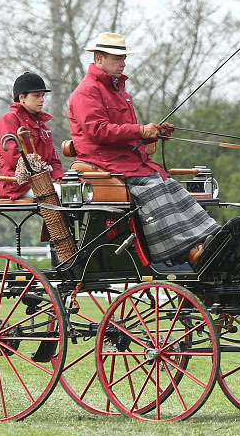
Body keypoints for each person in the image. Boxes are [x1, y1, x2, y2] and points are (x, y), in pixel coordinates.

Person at [67, 32, 220, 267]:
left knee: (170, 184)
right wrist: (140, 131)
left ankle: (209, 238)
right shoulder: (87, 91)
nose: (123, 63)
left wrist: (153, 133)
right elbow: (97, 131)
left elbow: (125, 133)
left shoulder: (119, 91)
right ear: (99, 59)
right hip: (106, 165)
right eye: (117, 58)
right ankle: (187, 250)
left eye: (123, 57)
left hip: (130, 162)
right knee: (155, 187)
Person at [0, 72, 63, 199]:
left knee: (76, 191)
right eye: (36, 96)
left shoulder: (42, 126)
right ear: (22, 97)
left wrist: (59, 178)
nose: (42, 99)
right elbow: (14, 159)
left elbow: (53, 158)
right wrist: (43, 178)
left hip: (41, 183)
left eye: (43, 95)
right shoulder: (8, 120)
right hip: (17, 186)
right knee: (62, 194)